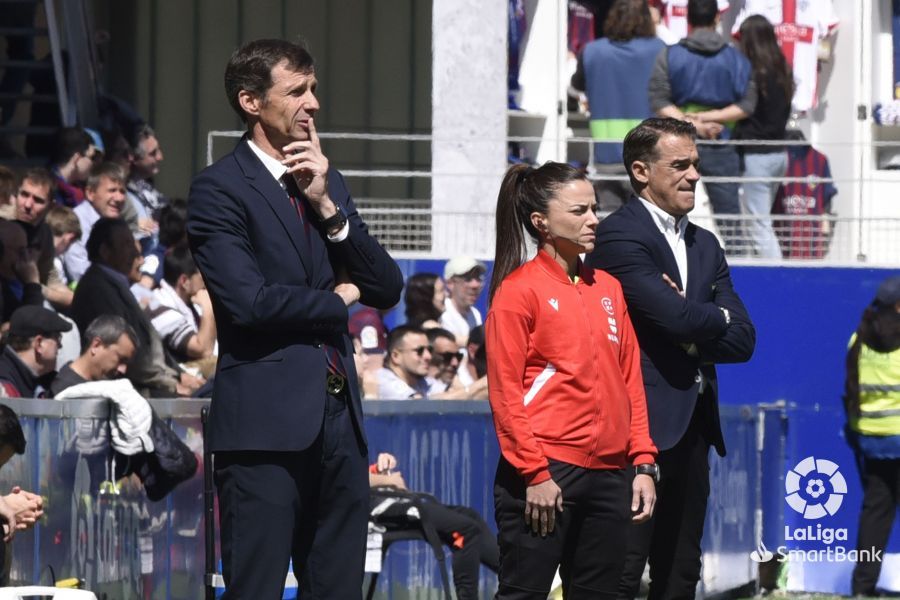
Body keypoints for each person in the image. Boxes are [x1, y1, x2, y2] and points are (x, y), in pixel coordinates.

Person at [186, 38, 403, 599]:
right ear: (251, 102)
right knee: (255, 587)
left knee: (336, 589)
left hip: (339, 424)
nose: (314, 103)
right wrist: (336, 301)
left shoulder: (323, 181)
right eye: (298, 91)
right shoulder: (219, 189)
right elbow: (249, 303)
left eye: (314, 88)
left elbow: (385, 285)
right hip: (264, 431)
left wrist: (329, 208)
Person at [586, 118, 755, 600]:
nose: (695, 175)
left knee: (681, 570)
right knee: (621, 570)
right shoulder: (620, 236)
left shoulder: (706, 243)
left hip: (694, 430)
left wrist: (691, 322)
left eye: (696, 164)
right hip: (636, 429)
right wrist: (704, 318)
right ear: (641, 171)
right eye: (679, 165)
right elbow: (679, 319)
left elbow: (743, 339)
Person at [486, 161, 658, 599]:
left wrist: (642, 463)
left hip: (611, 475)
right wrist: (535, 473)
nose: (594, 220)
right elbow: (505, 395)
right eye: (579, 210)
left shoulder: (609, 289)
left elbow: (629, 382)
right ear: (541, 222)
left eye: (594, 208)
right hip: (544, 473)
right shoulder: (518, 291)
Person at [647, 0, 756, 255]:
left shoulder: (669, 54)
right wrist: (710, 120)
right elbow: (748, 104)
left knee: (669, 210)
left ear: (688, 19)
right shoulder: (736, 59)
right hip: (723, 141)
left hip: (677, 146)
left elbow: (658, 99)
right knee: (729, 219)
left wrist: (693, 123)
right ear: (717, 19)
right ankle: (736, 272)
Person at [694, 15, 793, 259]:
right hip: (779, 155)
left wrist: (706, 117)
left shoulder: (755, 74)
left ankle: (775, 277)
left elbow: (744, 109)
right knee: (761, 220)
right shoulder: (782, 71)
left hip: (756, 156)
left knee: (758, 225)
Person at [70, 218, 195, 396]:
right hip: (132, 390)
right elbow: (126, 354)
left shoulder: (116, 283)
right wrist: (172, 384)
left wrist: (181, 375)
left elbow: (150, 341)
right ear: (106, 251)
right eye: (127, 244)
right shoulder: (97, 288)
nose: (136, 251)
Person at [571, 0, 666, 212]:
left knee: (612, 230)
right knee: (650, 229)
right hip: (648, 157)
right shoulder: (659, 50)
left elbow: (576, 85)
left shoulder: (592, 52)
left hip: (606, 156)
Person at [369, 452, 499, 600]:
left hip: (390, 502)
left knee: (470, 516)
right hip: (378, 513)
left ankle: (515, 579)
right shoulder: (340, 436)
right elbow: (349, 478)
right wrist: (388, 480)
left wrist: (376, 469)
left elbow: (361, 474)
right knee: (466, 530)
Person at [844, 276, 900, 596]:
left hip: (872, 442)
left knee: (876, 514)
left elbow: (851, 391)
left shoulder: (858, 340)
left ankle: (863, 586)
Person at [146, 243, 217, 364]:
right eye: (202, 276)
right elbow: (203, 350)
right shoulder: (160, 308)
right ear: (184, 281)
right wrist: (208, 308)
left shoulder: (191, 300)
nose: (206, 282)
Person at [63, 162, 128, 283]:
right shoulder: (75, 222)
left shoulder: (117, 223)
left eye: (122, 191)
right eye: (112, 190)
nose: (119, 198)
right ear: (90, 193)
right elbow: (81, 274)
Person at [51, 314, 138, 395]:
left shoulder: (108, 389)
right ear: (96, 345)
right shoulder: (65, 392)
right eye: (121, 359)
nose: (123, 370)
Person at [0, 305, 72, 397]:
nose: (60, 346)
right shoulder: (4, 387)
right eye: (57, 338)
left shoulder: (44, 380)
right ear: (39, 344)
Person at [376, 325, 432, 400]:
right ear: (396, 356)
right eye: (419, 351)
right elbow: (415, 403)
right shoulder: (382, 382)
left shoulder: (419, 380)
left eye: (430, 350)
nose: (428, 356)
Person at [440, 257, 486, 345]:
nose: (475, 285)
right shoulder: (442, 313)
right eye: (468, 279)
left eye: (478, 278)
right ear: (450, 283)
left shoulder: (475, 314)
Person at [49, 127, 98, 208]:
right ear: (77, 158)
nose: (94, 163)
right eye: (92, 158)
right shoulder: (48, 189)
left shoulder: (80, 191)